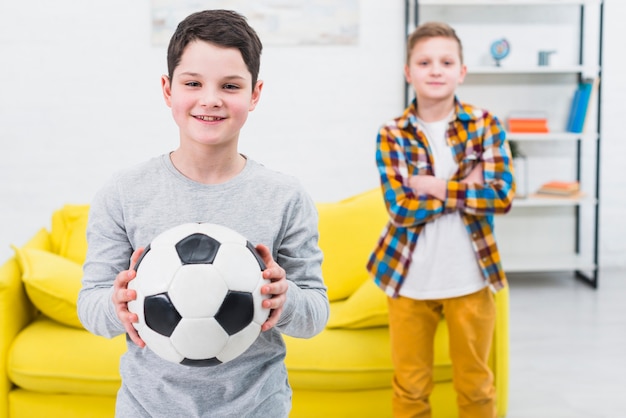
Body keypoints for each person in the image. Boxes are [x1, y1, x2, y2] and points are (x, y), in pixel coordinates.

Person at [77, 9, 329, 418]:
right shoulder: (124, 193)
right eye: (193, 83)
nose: (210, 99)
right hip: (148, 406)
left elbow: (315, 314)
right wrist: (116, 304)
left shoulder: (285, 196)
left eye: (230, 86)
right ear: (167, 89)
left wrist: (287, 299)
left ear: (255, 94)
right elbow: (91, 305)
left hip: (256, 406)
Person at [366, 22, 515, 418]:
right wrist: (466, 189)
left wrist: (432, 186)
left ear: (461, 71)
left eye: (446, 61)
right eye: (425, 61)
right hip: (410, 280)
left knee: (477, 387)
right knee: (411, 389)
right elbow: (400, 209)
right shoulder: (392, 134)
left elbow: (500, 196)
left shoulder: (484, 124)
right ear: (408, 71)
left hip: (470, 277)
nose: (436, 70)